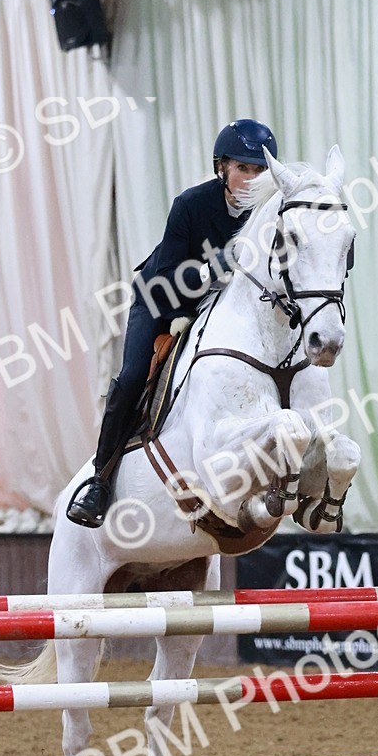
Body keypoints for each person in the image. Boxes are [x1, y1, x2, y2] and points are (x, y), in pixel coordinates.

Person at [67, 118, 279, 528]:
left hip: (220, 309)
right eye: (243, 169)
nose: (251, 180)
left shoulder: (270, 215)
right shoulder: (191, 205)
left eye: (259, 171)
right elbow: (167, 285)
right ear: (222, 168)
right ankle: (99, 482)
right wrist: (219, 266)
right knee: (131, 378)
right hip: (161, 298)